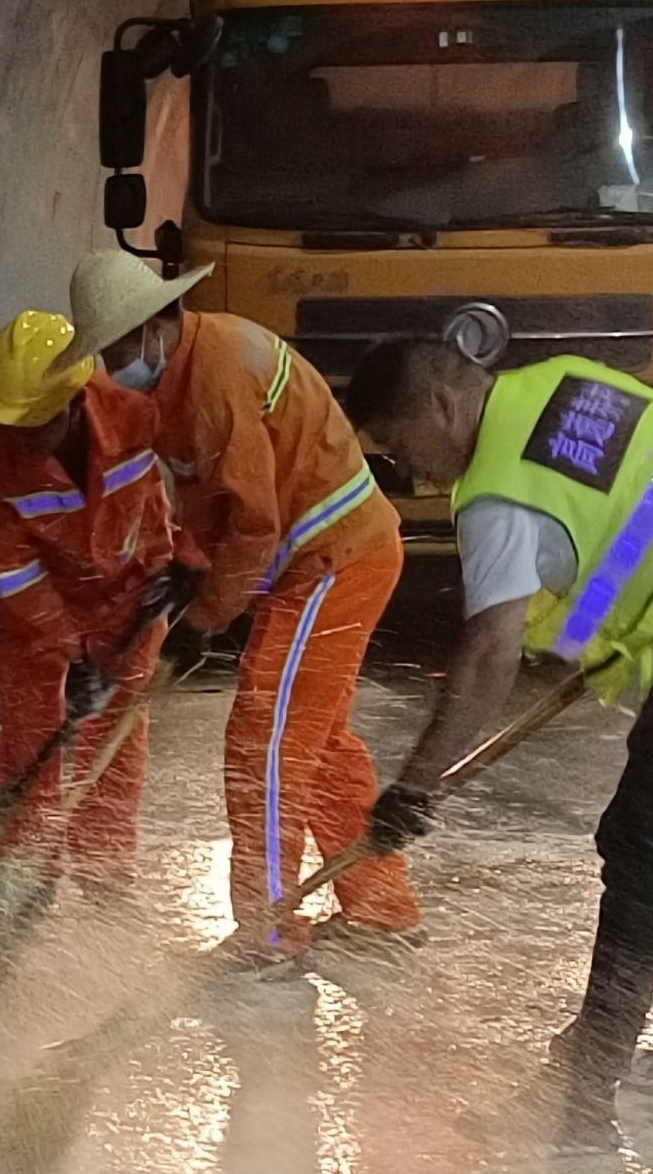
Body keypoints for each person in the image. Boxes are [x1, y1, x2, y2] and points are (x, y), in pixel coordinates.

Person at [343, 340, 653, 1145]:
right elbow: (628, 510)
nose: (409, 473)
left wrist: (415, 786)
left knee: (648, 844)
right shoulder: (565, 385)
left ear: (439, 403)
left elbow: (487, 654)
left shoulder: (497, 492)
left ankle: (580, 1101)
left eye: (399, 447)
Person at [67, 250, 419, 958]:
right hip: (335, 559)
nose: (111, 362)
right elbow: (217, 503)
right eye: (102, 350)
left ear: (158, 324)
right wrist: (195, 571)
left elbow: (255, 524)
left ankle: (267, 933)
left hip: (333, 560)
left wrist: (204, 617)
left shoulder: (214, 379)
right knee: (316, 746)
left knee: (263, 744)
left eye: (117, 346)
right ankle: (381, 912)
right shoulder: (181, 372)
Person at [0, 310, 183, 877]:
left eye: (31, 422)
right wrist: (69, 647)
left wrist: (179, 568)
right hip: (39, 612)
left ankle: (103, 875)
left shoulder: (135, 415)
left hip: (130, 599)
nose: (16, 434)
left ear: (70, 403)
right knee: (30, 740)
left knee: (114, 749)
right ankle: (22, 872)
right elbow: (14, 570)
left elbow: (169, 496)